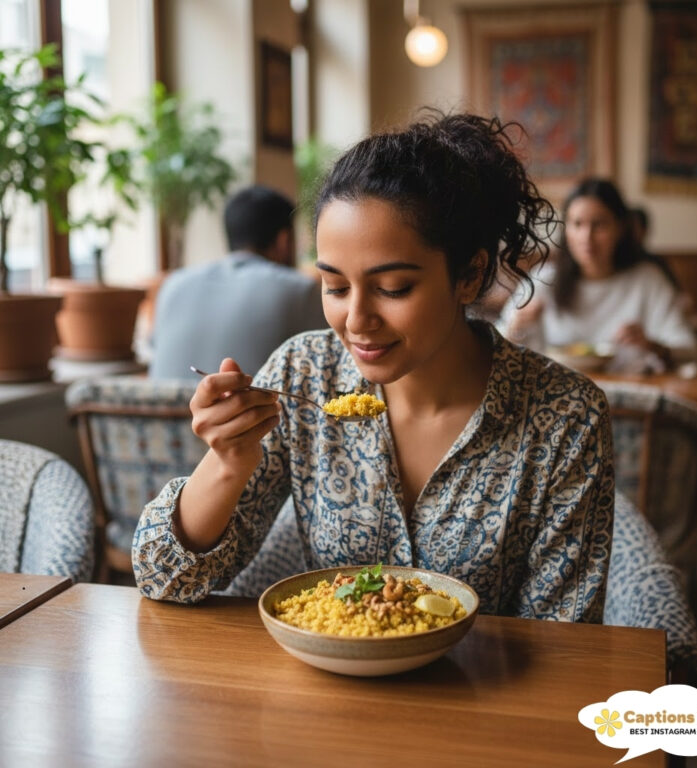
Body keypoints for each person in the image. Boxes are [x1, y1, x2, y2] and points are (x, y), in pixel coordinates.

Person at [133, 113, 615, 622]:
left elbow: (566, 643)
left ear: (469, 276)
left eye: (393, 289)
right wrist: (228, 463)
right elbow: (162, 576)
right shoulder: (304, 373)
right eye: (335, 287)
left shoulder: (565, 417)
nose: (356, 321)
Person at [499, 179, 697, 369]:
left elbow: (690, 350)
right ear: (566, 230)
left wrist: (654, 346)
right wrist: (516, 327)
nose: (587, 237)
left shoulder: (647, 280)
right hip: (556, 399)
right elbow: (495, 343)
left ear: (620, 228)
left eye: (599, 225)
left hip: (628, 398)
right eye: (577, 224)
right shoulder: (544, 279)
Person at [148, 185, 327, 380]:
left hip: (158, 409)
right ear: (283, 241)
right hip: (240, 410)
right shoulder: (300, 290)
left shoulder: (172, 285)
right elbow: (329, 367)